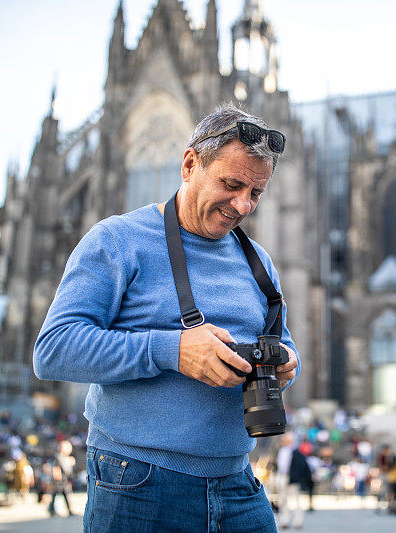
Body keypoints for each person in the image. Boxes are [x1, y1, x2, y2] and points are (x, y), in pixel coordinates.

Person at [33, 103, 299, 533]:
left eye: (255, 193)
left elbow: (283, 342)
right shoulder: (116, 240)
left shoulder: (258, 260)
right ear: (190, 163)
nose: (243, 205)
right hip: (138, 481)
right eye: (231, 185)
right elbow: (53, 350)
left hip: (238, 481)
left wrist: (286, 361)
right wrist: (172, 349)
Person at [48, 441, 75, 517]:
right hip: (60, 480)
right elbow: (56, 468)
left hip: (64, 480)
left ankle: (52, 509)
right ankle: (52, 509)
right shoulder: (58, 457)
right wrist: (57, 479)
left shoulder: (65, 457)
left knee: (62, 495)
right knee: (58, 494)